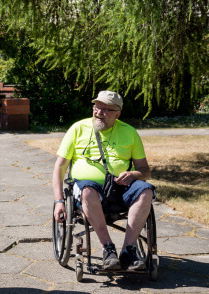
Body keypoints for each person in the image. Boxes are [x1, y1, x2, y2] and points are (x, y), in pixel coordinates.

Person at [52, 90, 155, 271]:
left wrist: (133, 175)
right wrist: (59, 201)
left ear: (117, 114)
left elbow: (145, 170)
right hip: (87, 189)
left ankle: (128, 251)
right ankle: (108, 248)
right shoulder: (78, 128)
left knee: (146, 190)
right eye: (97, 107)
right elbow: (59, 168)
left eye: (106, 110)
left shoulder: (129, 132)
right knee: (87, 190)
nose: (99, 112)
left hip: (120, 188)